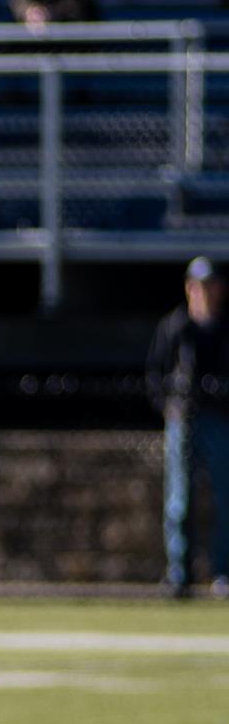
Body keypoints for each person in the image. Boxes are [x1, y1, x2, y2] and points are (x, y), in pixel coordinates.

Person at [147, 256, 229, 597]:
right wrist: (170, 407)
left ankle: (223, 573)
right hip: (185, 419)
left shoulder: (226, 328)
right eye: (197, 286)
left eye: (209, 286)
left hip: (220, 420)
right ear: (188, 288)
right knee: (179, 499)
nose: (203, 293)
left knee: (224, 497)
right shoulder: (175, 326)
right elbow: (155, 374)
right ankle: (179, 574)